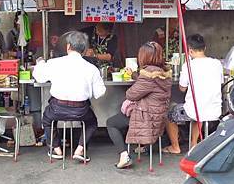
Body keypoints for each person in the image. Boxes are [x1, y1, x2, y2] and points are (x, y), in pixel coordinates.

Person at [33, 31, 106, 162]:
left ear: (68, 47)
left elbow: (39, 77)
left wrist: (40, 64)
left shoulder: (54, 63)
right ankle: (80, 150)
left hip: (57, 109)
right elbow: (100, 93)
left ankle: (56, 149)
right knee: (92, 123)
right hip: (81, 110)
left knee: (47, 119)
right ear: (84, 50)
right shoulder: (92, 68)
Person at [106, 41, 172, 169]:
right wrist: (135, 75)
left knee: (111, 123)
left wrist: (135, 78)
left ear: (145, 57)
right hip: (158, 116)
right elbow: (148, 84)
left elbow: (131, 94)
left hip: (145, 118)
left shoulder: (148, 75)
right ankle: (139, 146)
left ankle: (124, 155)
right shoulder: (164, 73)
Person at [164, 34, 223, 154]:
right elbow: (220, 82)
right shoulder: (217, 64)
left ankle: (175, 147)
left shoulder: (188, 66)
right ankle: (193, 143)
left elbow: (182, 88)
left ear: (190, 50)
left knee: (168, 114)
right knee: (199, 112)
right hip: (214, 110)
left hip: (194, 110)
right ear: (204, 48)